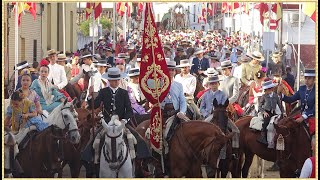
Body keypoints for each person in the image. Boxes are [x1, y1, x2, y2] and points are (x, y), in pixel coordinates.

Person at [281, 69, 315, 135]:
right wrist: (281, 95)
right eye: (305, 78)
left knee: (314, 140)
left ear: (314, 79)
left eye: (309, 78)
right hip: (301, 116)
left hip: (313, 117)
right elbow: (291, 99)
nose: (307, 80)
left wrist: (303, 117)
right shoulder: (302, 88)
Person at [257, 80, 285, 145]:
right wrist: (264, 112)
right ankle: (262, 137)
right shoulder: (264, 96)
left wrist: (283, 112)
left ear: (271, 89)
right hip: (267, 112)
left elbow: (280, 105)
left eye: (266, 90)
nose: (265, 91)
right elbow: (259, 106)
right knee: (266, 122)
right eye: (265, 90)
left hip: (274, 112)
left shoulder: (275, 96)